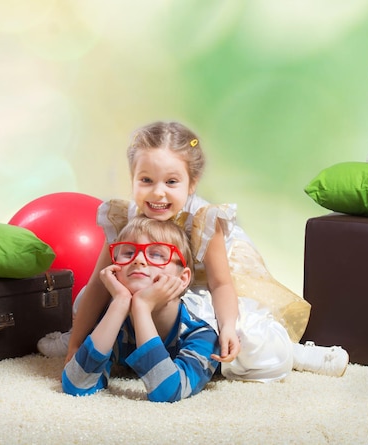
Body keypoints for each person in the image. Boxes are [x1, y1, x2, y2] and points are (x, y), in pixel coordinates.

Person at [40, 121, 349, 380]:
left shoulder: (202, 220)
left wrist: (227, 326)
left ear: (191, 183)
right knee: (100, 306)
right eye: (145, 180)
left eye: (171, 181)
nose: (158, 192)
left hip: (196, 294)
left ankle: (293, 352)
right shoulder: (124, 217)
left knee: (241, 338)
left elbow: (220, 283)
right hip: (141, 293)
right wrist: (76, 344)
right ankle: (76, 335)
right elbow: (98, 282)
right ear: (133, 179)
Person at [62, 216, 219, 402]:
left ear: (183, 278)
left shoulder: (201, 331)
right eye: (128, 253)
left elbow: (168, 392)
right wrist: (120, 301)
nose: (138, 260)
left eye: (158, 254)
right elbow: (76, 385)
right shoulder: (114, 320)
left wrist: (142, 307)